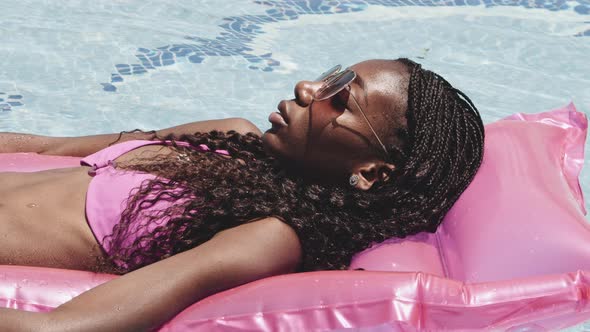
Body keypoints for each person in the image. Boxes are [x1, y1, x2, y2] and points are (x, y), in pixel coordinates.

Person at [0, 58, 484, 331]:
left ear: (373, 173)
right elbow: (51, 147)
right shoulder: (226, 134)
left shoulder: (267, 236)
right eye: (331, 75)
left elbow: (64, 330)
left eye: (339, 99)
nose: (307, 87)